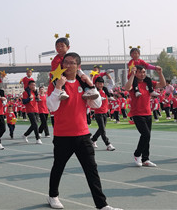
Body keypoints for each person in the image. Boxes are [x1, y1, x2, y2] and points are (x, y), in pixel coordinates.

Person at [45, 52, 121, 210]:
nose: (68, 65)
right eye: (66, 62)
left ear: (78, 66)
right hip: (63, 135)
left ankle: (102, 205)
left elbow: (97, 105)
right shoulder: (55, 82)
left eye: (72, 63)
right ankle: (53, 196)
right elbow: (51, 107)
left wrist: (91, 85)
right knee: (58, 167)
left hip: (83, 135)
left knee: (91, 170)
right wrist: (59, 86)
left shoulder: (83, 83)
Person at [124, 64, 166, 167]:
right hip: (137, 113)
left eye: (144, 72)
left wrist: (160, 73)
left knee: (147, 137)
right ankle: (137, 154)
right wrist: (132, 75)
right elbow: (126, 87)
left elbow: (162, 84)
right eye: (140, 72)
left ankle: (145, 159)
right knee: (146, 134)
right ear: (136, 73)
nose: (142, 74)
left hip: (148, 113)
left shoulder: (148, 82)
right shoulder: (134, 84)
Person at [90, 75, 116, 151]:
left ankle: (93, 140)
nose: (100, 85)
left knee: (101, 129)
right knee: (103, 130)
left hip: (105, 112)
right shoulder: (94, 91)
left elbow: (112, 84)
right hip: (98, 113)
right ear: (95, 84)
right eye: (98, 83)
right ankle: (108, 144)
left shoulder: (105, 90)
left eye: (101, 83)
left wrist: (108, 75)